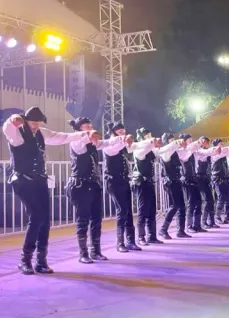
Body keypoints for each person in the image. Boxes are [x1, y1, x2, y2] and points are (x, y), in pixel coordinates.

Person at [3, 107, 90, 274]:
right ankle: (25, 259)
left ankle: (41, 261)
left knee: (45, 220)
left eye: (38, 122)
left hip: (39, 180)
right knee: (36, 216)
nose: (36, 125)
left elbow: (61, 137)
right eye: (33, 122)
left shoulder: (42, 132)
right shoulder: (17, 133)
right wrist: (12, 119)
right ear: (26, 120)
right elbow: (7, 128)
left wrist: (84, 134)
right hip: (22, 181)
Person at [67, 117, 127, 264]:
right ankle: (83, 253)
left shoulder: (93, 143)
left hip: (93, 184)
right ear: (79, 129)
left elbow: (107, 143)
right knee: (83, 220)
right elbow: (83, 140)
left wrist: (122, 139)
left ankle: (96, 251)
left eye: (90, 124)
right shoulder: (76, 142)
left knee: (96, 218)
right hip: (80, 185)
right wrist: (90, 134)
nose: (90, 127)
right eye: (86, 125)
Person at [102, 122, 155, 253]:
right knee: (122, 210)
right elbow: (118, 145)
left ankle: (130, 240)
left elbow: (137, 145)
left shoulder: (124, 146)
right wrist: (123, 139)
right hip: (114, 182)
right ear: (114, 132)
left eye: (123, 130)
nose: (122, 133)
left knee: (128, 211)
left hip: (124, 180)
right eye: (119, 131)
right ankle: (120, 242)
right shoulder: (109, 145)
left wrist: (151, 142)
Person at [131, 128, 167, 245]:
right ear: (142, 137)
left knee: (152, 209)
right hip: (141, 183)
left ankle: (152, 236)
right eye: (147, 136)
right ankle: (141, 237)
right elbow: (147, 147)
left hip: (149, 182)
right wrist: (152, 142)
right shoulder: (139, 150)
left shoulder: (150, 150)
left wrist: (175, 145)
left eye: (150, 135)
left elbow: (162, 150)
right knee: (143, 210)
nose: (150, 138)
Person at [158, 133, 190, 239]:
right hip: (170, 182)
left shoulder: (174, 152)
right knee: (174, 206)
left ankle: (180, 230)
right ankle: (163, 229)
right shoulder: (165, 152)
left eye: (173, 139)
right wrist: (176, 144)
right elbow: (169, 153)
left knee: (181, 206)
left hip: (176, 181)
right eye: (170, 140)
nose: (173, 141)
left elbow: (185, 155)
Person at [195, 136, 219, 228]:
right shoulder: (198, 151)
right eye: (206, 142)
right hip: (199, 178)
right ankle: (203, 222)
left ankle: (211, 221)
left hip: (207, 178)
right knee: (205, 200)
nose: (207, 144)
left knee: (210, 200)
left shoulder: (208, 153)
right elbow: (205, 153)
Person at [210, 139, 229, 224]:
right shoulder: (214, 155)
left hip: (225, 178)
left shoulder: (223, 156)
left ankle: (227, 217)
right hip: (217, 179)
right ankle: (217, 217)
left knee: (228, 198)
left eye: (222, 144)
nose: (222, 146)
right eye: (220, 144)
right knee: (221, 198)